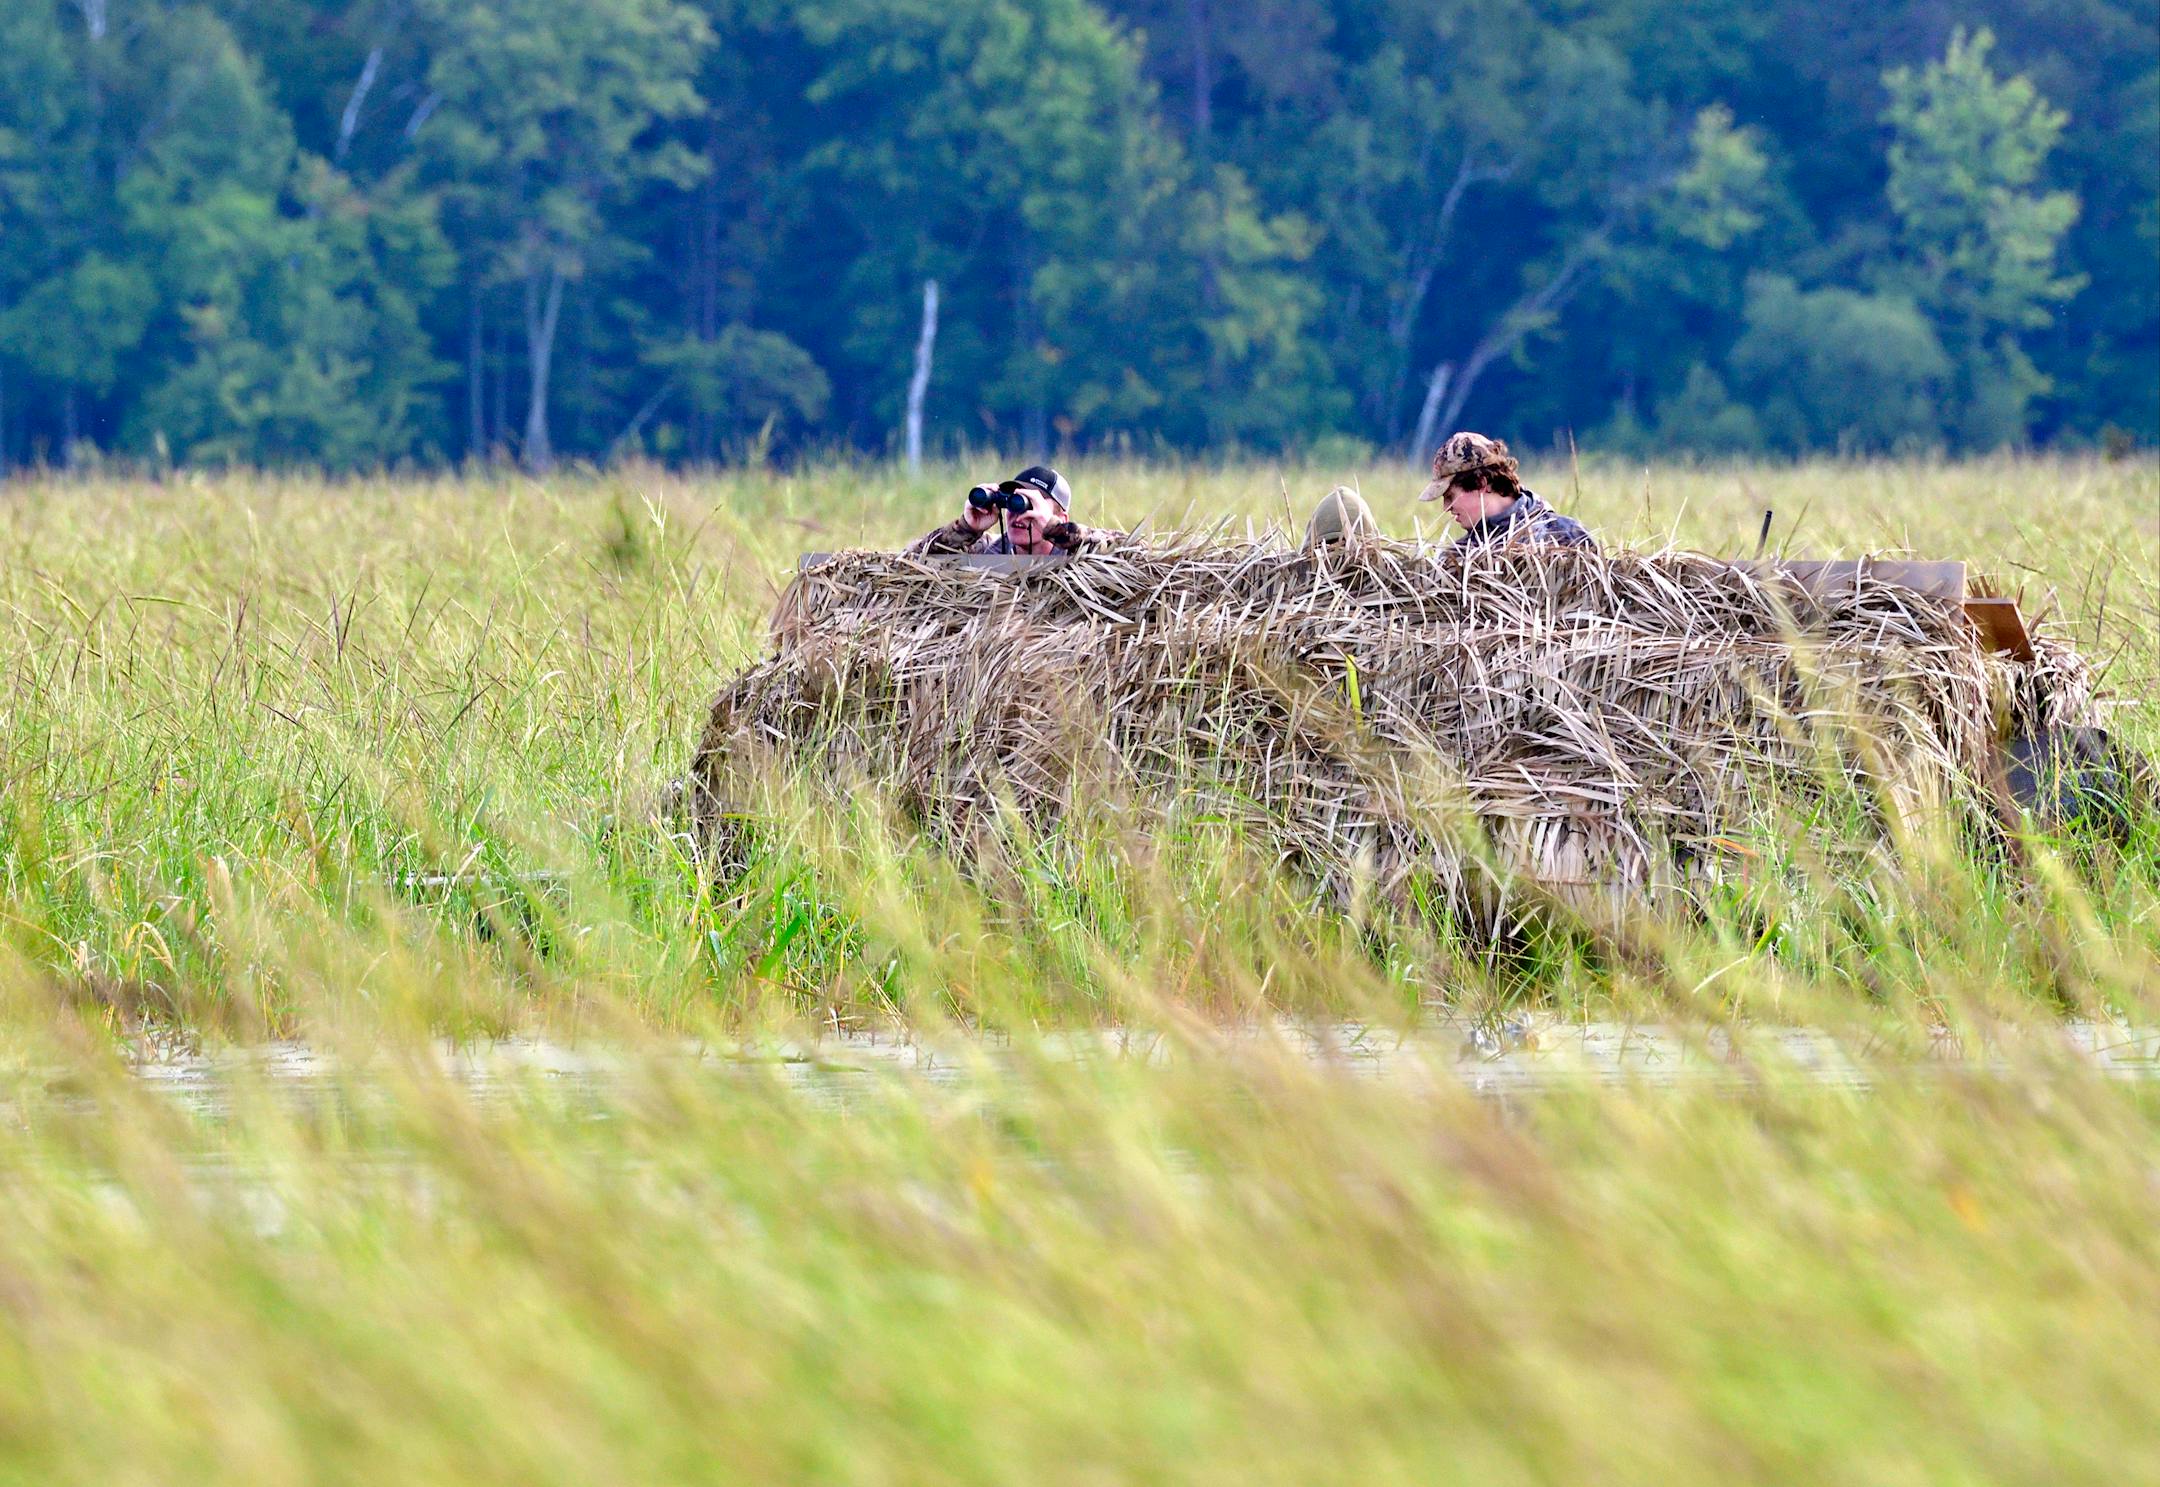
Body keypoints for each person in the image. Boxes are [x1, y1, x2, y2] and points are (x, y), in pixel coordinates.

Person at [1417, 432, 1595, 551]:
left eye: (1450, 496)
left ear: (1481, 483)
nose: (1446, 508)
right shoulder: (1459, 556)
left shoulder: (1569, 535)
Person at [904, 465, 1121, 557]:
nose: (1018, 514)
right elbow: (910, 561)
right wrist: (966, 528)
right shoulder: (988, 550)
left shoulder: (1077, 554)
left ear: (1061, 517)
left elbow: (1128, 550)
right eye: (1014, 503)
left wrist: (1054, 529)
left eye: (1030, 505)